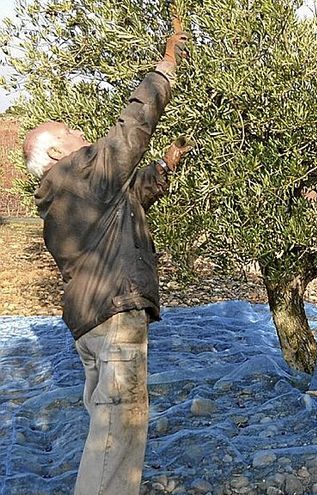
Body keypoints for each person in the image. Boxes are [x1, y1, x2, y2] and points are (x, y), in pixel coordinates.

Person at [22, 25, 190, 495]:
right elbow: (132, 128)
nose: (81, 134)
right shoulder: (77, 172)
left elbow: (129, 198)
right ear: (56, 151)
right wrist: (166, 64)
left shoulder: (67, 196)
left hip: (89, 320)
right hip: (113, 312)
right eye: (70, 132)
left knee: (107, 425)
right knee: (120, 429)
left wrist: (166, 167)